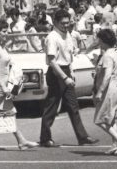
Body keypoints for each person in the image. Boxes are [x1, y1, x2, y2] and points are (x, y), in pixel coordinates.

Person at [39, 10, 97, 148]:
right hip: (56, 72)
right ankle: (45, 138)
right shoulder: (52, 37)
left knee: (73, 106)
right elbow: (52, 61)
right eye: (63, 23)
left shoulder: (68, 35)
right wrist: (65, 78)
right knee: (52, 107)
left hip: (66, 70)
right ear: (55, 22)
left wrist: (71, 72)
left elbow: (69, 56)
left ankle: (82, 137)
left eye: (68, 23)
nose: (66, 25)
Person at [0, 17, 38, 150]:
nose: (7, 33)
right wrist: (4, 87)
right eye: (4, 31)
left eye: (7, 31)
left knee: (9, 112)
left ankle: (21, 141)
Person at [92, 28, 117, 155]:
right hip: (116, 89)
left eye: (99, 39)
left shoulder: (107, 55)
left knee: (99, 120)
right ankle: (115, 145)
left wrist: (99, 91)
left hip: (109, 90)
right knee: (111, 120)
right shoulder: (114, 53)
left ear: (102, 40)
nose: (97, 41)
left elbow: (107, 75)